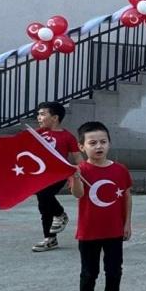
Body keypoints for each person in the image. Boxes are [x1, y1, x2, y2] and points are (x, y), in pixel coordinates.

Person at [70, 121, 132, 291]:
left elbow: (126, 197)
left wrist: (127, 224)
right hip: (89, 231)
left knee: (114, 269)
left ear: (109, 144)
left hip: (114, 230)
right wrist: (76, 178)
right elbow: (78, 194)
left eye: (103, 142)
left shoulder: (120, 170)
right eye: (93, 143)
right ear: (82, 147)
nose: (98, 146)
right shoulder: (80, 169)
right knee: (89, 271)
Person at [31, 101, 81, 253]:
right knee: (44, 206)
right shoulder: (37, 134)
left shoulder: (67, 137)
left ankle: (60, 213)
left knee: (45, 195)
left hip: (59, 174)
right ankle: (50, 238)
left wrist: (86, 172)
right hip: (40, 174)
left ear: (55, 118)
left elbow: (78, 159)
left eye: (42, 114)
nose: (38, 117)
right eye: (38, 114)